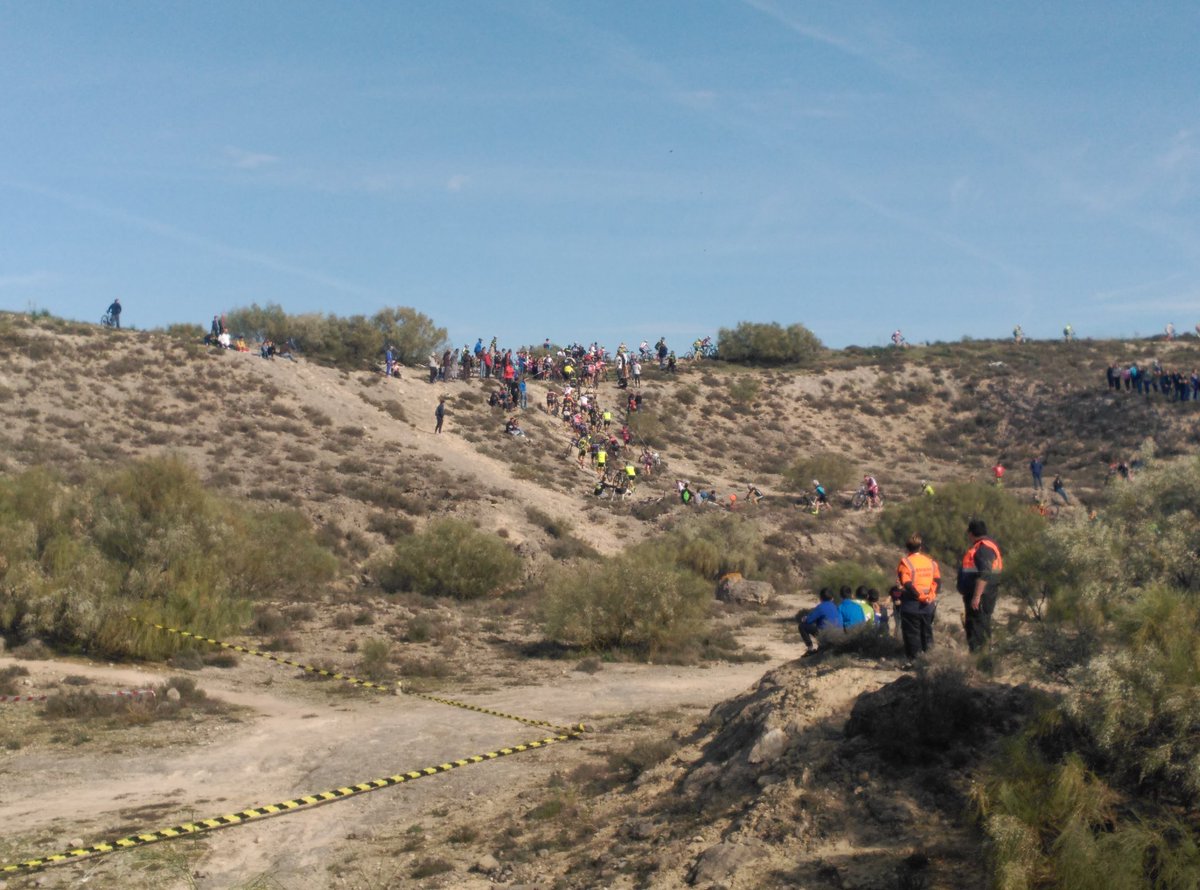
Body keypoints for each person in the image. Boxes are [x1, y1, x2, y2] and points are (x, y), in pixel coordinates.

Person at [957, 519, 1003, 652]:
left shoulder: (983, 548)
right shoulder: (986, 546)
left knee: (977, 630)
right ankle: (981, 659)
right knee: (978, 627)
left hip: (980, 598)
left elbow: (984, 574)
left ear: (971, 533)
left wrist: (976, 597)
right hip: (982, 595)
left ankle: (979, 662)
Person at [897, 533, 941, 663]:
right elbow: (937, 582)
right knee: (927, 634)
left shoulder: (905, 563)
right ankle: (930, 661)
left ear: (907, 548)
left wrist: (920, 596)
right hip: (928, 605)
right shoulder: (931, 563)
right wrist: (930, 596)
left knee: (912, 636)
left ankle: (915, 663)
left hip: (911, 605)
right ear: (921, 547)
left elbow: (907, 584)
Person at [797, 588, 843, 656]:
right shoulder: (836, 607)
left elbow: (809, 620)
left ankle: (810, 648)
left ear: (820, 598)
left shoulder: (821, 607)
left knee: (802, 626)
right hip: (838, 634)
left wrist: (805, 618)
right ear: (832, 598)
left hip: (826, 635)